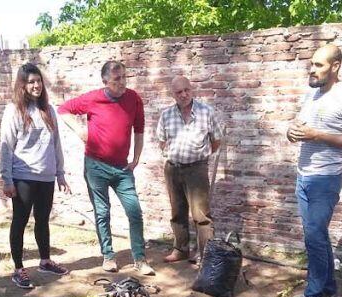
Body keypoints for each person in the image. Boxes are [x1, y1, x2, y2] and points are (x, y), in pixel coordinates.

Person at [286, 44, 342, 297]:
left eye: (319, 65)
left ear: (335, 66)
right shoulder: (311, 96)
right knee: (316, 236)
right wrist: (291, 132)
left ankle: (314, 296)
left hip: (327, 177)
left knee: (314, 235)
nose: (312, 69)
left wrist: (317, 135)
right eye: (312, 64)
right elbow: (299, 129)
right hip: (304, 174)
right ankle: (328, 292)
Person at [58, 60, 155, 276]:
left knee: (134, 211)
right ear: (105, 81)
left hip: (122, 169)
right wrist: (80, 132)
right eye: (117, 79)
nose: (122, 83)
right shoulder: (93, 98)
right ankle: (108, 256)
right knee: (102, 212)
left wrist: (136, 158)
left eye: (124, 77)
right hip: (96, 166)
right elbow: (63, 109)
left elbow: (139, 130)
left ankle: (139, 258)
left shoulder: (133, 99)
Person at [0, 63, 71, 289]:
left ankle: (45, 260)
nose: (36, 85)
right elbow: (6, 146)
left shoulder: (48, 111)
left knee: (43, 219)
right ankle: (19, 268)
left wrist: (60, 173)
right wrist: (7, 179)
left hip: (46, 176)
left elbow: (56, 144)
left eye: (38, 81)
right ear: (22, 85)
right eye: (31, 82)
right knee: (20, 221)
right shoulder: (13, 110)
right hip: (23, 177)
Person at [156, 76, 223, 264]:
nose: (184, 94)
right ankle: (181, 250)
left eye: (187, 90)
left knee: (201, 215)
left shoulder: (205, 112)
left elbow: (216, 140)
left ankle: (205, 255)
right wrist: (173, 155)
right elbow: (162, 142)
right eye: (179, 92)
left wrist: (201, 156)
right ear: (173, 94)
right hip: (172, 169)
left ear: (191, 89)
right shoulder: (166, 115)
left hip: (196, 169)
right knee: (177, 212)